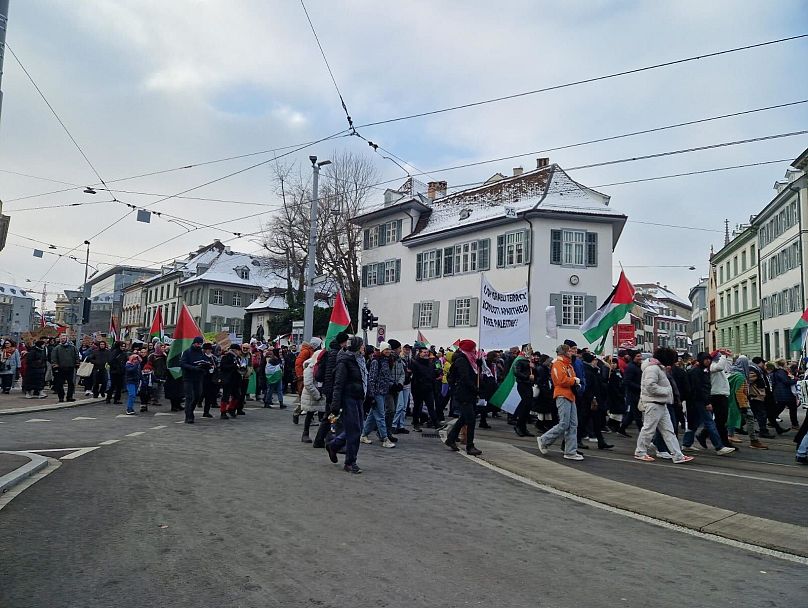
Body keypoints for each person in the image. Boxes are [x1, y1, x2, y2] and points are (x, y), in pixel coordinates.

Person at [633, 348, 694, 464]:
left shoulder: (657, 368)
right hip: (653, 403)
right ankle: (640, 452)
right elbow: (650, 386)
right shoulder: (653, 369)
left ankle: (678, 455)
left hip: (660, 403)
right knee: (649, 429)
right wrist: (666, 391)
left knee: (668, 431)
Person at [326, 336, 367, 474]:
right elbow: (338, 384)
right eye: (361, 345)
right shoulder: (345, 361)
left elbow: (364, 379)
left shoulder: (360, 360)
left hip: (358, 397)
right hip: (348, 398)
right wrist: (335, 405)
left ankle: (334, 445)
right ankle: (350, 462)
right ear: (356, 346)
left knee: (357, 428)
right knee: (354, 430)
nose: (363, 347)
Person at [682, 353, 735, 455]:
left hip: (697, 400)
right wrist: (707, 402)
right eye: (706, 359)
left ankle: (687, 443)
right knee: (710, 422)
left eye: (709, 359)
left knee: (695, 423)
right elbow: (699, 388)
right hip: (700, 400)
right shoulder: (697, 372)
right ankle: (719, 447)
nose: (708, 361)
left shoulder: (703, 370)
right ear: (701, 360)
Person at [536, 344, 582, 461]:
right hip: (562, 395)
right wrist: (574, 381)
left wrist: (574, 382)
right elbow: (560, 380)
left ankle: (570, 451)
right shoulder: (558, 364)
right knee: (565, 423)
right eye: (570, 351)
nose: (573, 352)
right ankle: (544, 440)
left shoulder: (567, 365)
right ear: (564, 352)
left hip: (570, 395)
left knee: (572, 424)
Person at [443, 339, 482, 456]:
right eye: (473, 348)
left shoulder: (470, 360)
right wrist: (476, 389)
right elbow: (465, 378)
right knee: (470, 420)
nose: (475, 350)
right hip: (463, 393)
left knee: (464, 418)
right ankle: (470, 445)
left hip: (469, 393)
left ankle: (450, 438)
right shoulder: (462, 360)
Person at [313, 332, 350, 448]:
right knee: (334, 417)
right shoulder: (337, 354)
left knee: (328, 416)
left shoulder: (331, 352)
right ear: (342, 342)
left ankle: (319, 440)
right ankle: (334, 443)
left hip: (329, 388)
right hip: (333, 389)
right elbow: (335, 375)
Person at [360, 342, 396, 448]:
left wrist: (392, 384)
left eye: (389, 349)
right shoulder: (376, 361)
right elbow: (372, 378)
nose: (388, 351)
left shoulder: (387, 361)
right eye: (386, 349)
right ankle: (385, 438)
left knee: (372, 416)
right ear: (382, 350)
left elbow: (386, 376)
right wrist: (371, 394)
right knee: (380, 416)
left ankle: (364, 435)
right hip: (377, 392)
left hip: (384, 391)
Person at [728, 356, 767, 449]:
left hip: (732, 401)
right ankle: (753, 440)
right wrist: (743, 406)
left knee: (731, 419)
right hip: (741, 401)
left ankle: (729, 436)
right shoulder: (740, 376)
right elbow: (740, 392)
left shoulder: (732, 373)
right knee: (750, 418)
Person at [580, 352, 613, 450]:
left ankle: (601, 441)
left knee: (596, 422)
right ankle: (577, 440)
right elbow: (588, 387)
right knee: (583, 422)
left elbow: (600, 382)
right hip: (589, 401)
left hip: (596, 400)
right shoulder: (587, 371)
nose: (596, 362)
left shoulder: (593, 370)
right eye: (594, 360)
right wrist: (592, 398)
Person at [411, 344, 442, 431]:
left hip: (428, 388)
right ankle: (416, 424)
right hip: (418, 389)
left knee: (431, 407)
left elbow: (434, 373)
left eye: (427, 352)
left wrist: (437, 373)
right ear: (420, 353)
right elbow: (415, 377)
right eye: (424, 352)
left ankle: (436, 424)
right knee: (417, 407)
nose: (426, 354)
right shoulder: (415, 363)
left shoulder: (431, 363)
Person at [179, 336, 209, 424]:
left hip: (198, 377)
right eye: (197, 343)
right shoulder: (187, 352)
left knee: (197, 395)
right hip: (188, 377)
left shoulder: (201, 352)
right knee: (189, 397)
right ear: (194, 343)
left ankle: (191, 410)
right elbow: (183, 363)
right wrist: (194, 368)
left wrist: (205, 367)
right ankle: (188, 416)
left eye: (200, 344)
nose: (199, 345)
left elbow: (205, 361)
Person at [300, 347, 326, 443]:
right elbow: (308, 384)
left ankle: (323, 436)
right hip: (312, 396)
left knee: (324, 417)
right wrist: (317, 395)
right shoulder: (310, 369)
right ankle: (305, 433)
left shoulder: (322, 368)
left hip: (320, 395)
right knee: (310, 415)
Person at [708, 349, 733, 447]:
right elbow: (720, 367)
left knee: (720, 420)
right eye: (718, 356)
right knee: (721, 420)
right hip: (716, 395)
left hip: (721, 394)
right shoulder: (712, 366)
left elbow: (727, 368)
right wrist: (723, 356)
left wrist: (729, 357)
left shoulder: (716, 365)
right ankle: (724, 442)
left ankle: (704, 434)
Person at [618, 350, 643, 437]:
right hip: (633, 394)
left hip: (638, 394)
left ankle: (621, 429)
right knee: (638, 414)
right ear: (633, 357)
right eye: (638, 356)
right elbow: (627, 381)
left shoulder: (638, 366)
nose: (640, 358)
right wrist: (639, 387)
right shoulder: (631, 367)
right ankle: (643, 433)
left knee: (632, 414)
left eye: (640, 356)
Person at [512, 351, 535, 437]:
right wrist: (527, 377)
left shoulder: (530, 362)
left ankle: (523, 427)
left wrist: (534, 368)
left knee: (528, 405)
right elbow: (516, 372)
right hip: (522, 384)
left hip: (529, 385)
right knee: (525, 404)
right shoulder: (520, 361)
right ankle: (519, 425)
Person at [771, 359, 798, 430]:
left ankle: (772, 420)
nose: (787, 364)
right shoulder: (781, 372)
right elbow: (786, 382)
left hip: (782, 393)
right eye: (786, 363)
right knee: (791, 408)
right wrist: (795, 380)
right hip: (785, 393)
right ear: (783, 364)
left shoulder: (778, 371)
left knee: (782, 408)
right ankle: (794, 424)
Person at [49, 335, 78, 402]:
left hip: (70, 367)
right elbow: (53, 358)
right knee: (60, 384)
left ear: (66, 339)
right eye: (61, 338)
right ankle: (61, 397)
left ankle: (69, 397)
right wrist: (55, 365)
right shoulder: (57, 348)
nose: (63, 340)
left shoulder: (72, 347)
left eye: (64, 338)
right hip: (60, 368)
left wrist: (77, 363)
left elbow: (76, 355)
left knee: (71, 383)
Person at [201, 342, 220, 418]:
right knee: (201, 393)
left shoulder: (213, 357)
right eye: (207, 349)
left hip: (212, 378)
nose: (209, 351)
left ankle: (206, 411)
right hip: (204, 378)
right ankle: (199, 402)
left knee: (209, 396)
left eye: (210, 349)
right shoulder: (202, 357)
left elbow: (217, 366)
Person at [106, 341, 127, 405]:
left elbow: (125, 361)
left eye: (124, 346)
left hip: (121, 371)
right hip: (114, 371)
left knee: (119, 386)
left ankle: (116, 399)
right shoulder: (115, 352)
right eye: (122, 346)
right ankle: (109, 398)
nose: (123, 348)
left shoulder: (123, 353)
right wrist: (117, 367)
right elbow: (110, 361)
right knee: (113, 385)